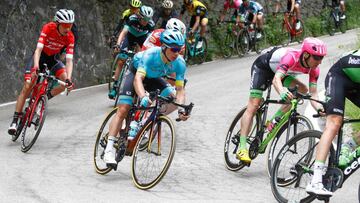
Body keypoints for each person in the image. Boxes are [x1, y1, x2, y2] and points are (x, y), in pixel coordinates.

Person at [103, 29, 190, 166]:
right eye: (173, 49)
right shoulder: (151, 55)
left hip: (154, 78)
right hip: (135, 73)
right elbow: (138, 79)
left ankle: (143, 121)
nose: (176, 53)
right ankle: (108, 149)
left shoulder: (179, 63)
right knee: (124, 108)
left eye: (179, 49)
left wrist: (181, 109)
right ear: (164, 47)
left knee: (172, 96)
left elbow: (180, 89)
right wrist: (143, 96)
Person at [235, 37, 327, 163]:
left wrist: (320, 108)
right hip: (263, 68)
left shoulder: (314, 69)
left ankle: (273, 121)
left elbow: (313, 93)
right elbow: (276, 80)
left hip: (282, 73)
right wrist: (282, 91)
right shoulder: (291, 57)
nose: (320, 61)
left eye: (322, 58)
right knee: (254, 105)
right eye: (317, 58)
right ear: (305, 54)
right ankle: (242, 147)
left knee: (302, 90)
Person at [8, 9, 75, 135]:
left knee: (64, 84)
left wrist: (69, 79)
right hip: (40, 56)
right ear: (58, 23)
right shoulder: (48, 28)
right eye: (65, 25)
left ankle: (43, 98)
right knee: (28, 85)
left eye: (70, 25)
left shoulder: (70, 36)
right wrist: (35, 66)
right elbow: (38, 49)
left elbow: (69, 60)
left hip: (53, 60)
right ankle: (15, 120)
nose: (68, 28)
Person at [306, 49, 360, 196]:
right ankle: (315, 181)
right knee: (335, 122)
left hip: (357, 82)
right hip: (339, 76)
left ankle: (348, 147)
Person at [108, 5, 155, 99]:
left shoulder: (151, 24)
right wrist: (118, 44)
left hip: (142, 39)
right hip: (130, 37)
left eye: (148, 19)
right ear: (139, 16)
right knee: (121, 60)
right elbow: (124, 32)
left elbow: (149, 41)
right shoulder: (132, 18)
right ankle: (115, 86)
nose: (146, 21)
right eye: (144, 19)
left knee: (141, 59)